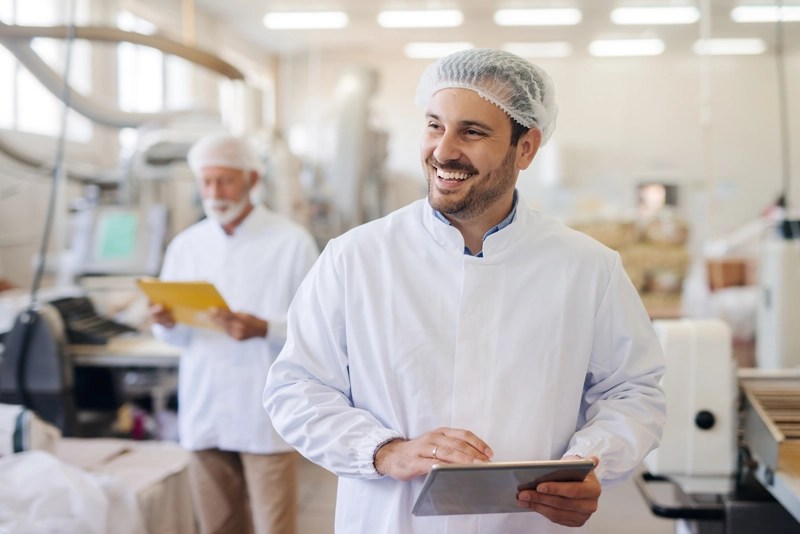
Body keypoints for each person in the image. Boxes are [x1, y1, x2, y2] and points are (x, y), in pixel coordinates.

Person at [264, 48, 666, 533]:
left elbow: (632, 390)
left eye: (472, 132)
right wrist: (385, 451)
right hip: (391, 519)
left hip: (526, 524)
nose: (443, 149)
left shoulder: (587, 267)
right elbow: (296, 387)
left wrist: (590, 463)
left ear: (526, 147)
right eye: (435, 125)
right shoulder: (356, 258)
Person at [149, 133, 318, 534]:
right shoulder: (186, 246)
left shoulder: (291, 242)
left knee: (274, 525)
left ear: (252, 179)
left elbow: (318, 331)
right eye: (206, 182)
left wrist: (264, 327)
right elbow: (172, 339)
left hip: (265, 411)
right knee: (217, 525)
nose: (214, 192)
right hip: (204, 407)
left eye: (224, 180)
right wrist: (165, 322)